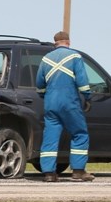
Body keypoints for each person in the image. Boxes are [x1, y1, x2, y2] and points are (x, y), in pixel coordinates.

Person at [36, 31, 94, 182]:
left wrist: (45, 96)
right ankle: (78, 171)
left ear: (55, 43)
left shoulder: (45, 59)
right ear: (68, 42)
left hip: (51, 104)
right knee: (80, 133)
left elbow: (40, 85)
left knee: (50, 136)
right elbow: (82, 81)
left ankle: (49, 173)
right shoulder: (75, 57)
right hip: (69, 102)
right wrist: (87, 97)